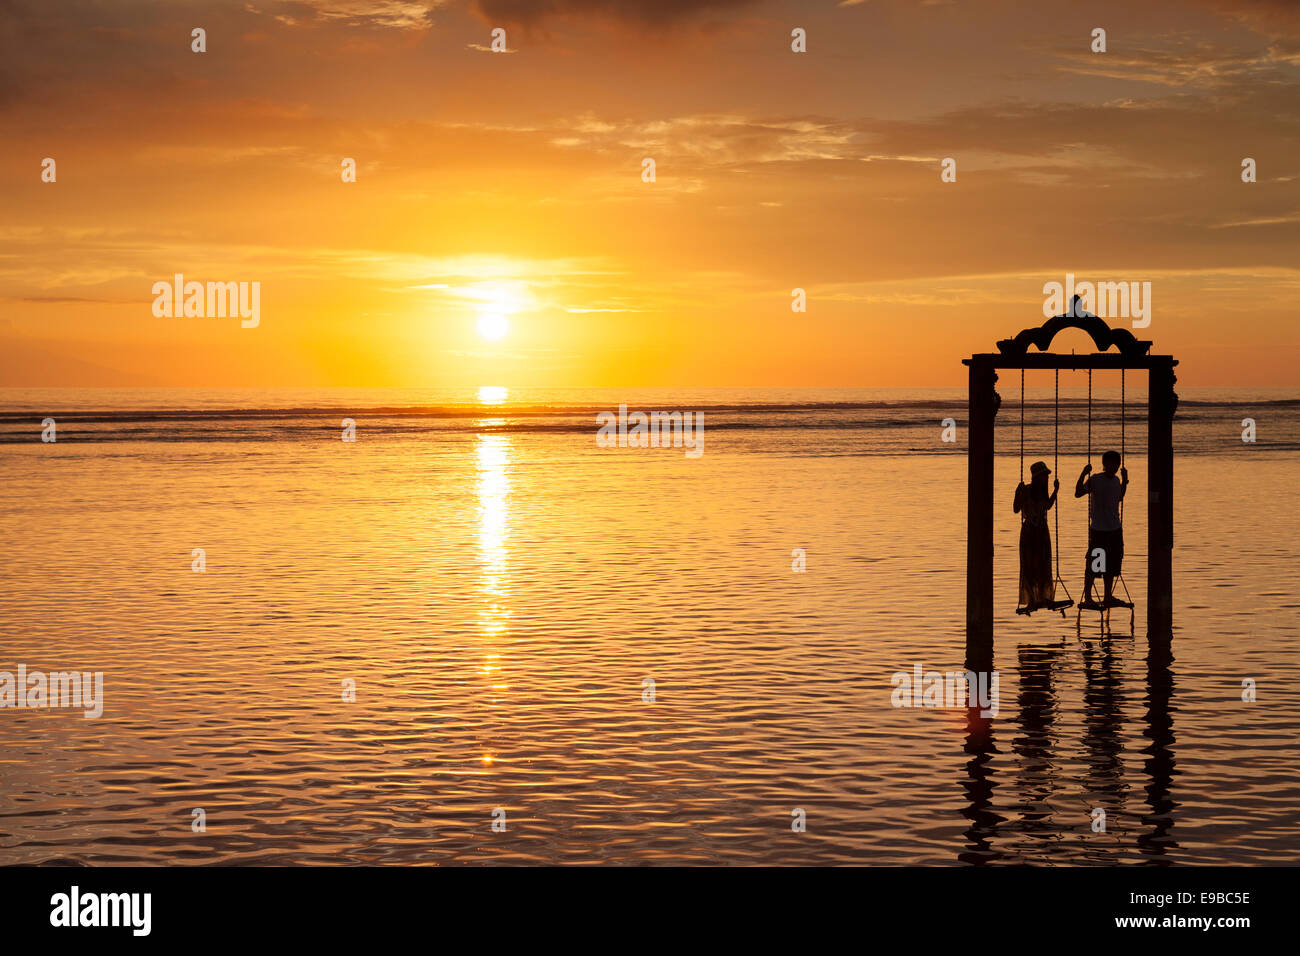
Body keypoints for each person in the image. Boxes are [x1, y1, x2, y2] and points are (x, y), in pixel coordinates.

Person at [1075, 450, 1129, 608]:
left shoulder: (1117, 480)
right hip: (1099, 529)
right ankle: (1088, 598)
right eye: (1112, 463)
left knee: (1112, 564)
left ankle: (1107, 596)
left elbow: (1119, 497)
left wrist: (1125, 481)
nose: (1115, 466)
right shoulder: (1096, 479)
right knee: (1094, 564)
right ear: (1105, 465)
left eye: (1117, 464)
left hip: (1115, 529)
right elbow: (1078, 493)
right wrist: (1083, 474)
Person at [1013, 460, 1060, 612]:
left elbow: (1047, 506)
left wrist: (1055, 491)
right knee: (1029, 565)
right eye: (1044, 476)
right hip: (1030, 531)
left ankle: (1043, 597)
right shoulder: (1026, 490)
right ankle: (1031, 599)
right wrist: (1017, 493)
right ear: (1037, 476)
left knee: (1043, 564)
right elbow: (1016, 509)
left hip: (1041, 530)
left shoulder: (1042, 492)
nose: (1046, 478)